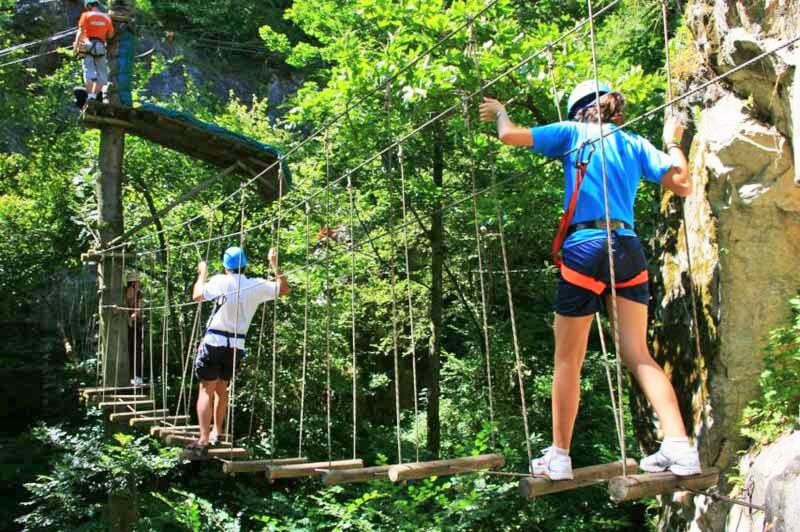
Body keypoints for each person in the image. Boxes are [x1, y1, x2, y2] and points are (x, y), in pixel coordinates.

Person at [478, 80, 701, 479]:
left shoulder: (571, 133)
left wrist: (500, 112)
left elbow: (509, 136)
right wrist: (672, 141)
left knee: (568, 359)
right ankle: (680, 446)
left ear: (578, 110)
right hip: (628, 248)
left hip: (586, 246)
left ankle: (560, 456)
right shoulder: (634, 143)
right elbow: (682, 184)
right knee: (638, 354)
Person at [183, 246, 290, 460]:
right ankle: (217, 432)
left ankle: (204, 439)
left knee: (206, 390)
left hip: (214, 342)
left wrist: (202, 272)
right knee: (222, 389)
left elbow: (197, 295)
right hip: (236, 346)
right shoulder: (256, 285)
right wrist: (274, 263)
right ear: (245, 265)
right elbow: (284, 289)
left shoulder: (220, 282)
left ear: (225, 266)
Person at [72, 0, 114, 107]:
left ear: (89, 5)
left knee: (88, 71)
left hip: (88, 45)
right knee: (102, 74)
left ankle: (90, 95)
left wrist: (76, 46)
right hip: (100, 46)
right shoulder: (106, 17)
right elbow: (110, 35)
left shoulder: (86, 15)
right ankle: (94, 96)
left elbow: (81, 32)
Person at [125, 270, 145, 385]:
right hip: (127, 325)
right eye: (137, 282)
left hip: (135, 324)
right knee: (130, 349)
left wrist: (133, 316)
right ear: (133, 283)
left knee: (136, 350)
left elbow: (138, 310)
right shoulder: (126, 292)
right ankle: (130, 376)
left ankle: (136, 376)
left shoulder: (139, 294)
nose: (139, 283)